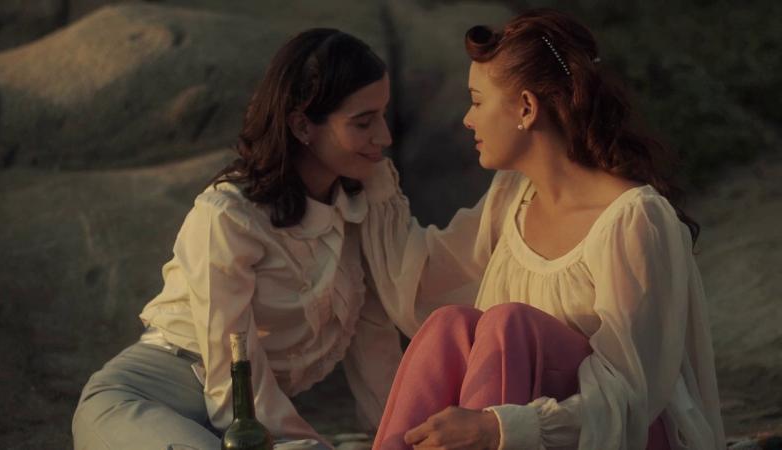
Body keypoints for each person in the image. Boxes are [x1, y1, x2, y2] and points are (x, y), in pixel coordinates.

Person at [360, 9, 727, 450]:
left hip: (621, 434)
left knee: (508, 323)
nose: (468, 119)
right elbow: (421, 278)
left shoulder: (633, 219)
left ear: (526, 108)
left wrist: (501, 428)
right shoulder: (511, 195)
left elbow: (632, 394)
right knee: (449, 325)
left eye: (477, 101)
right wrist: (367, 175)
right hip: (527, 427)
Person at [72, 28, 409, 450]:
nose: (384, 137)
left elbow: (375, 338)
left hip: (241, 422)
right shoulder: (229, 215)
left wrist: (399, 437)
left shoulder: (362, 204)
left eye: (383, 115)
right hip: (143, 403)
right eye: (363, 122)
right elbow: (229, 363)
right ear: (302, 125)